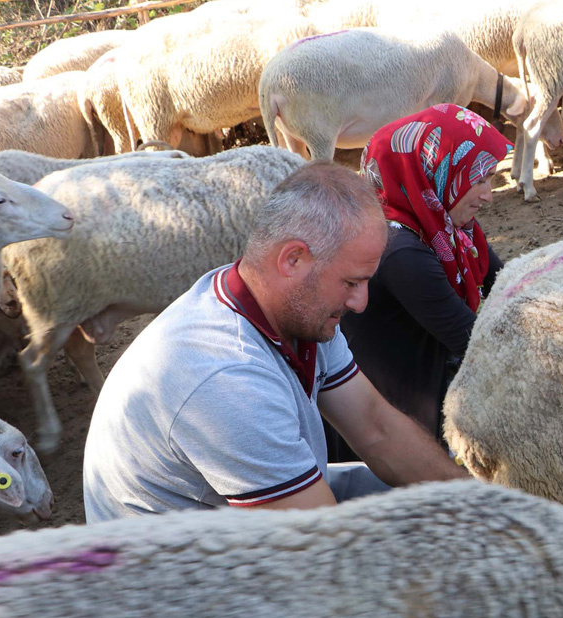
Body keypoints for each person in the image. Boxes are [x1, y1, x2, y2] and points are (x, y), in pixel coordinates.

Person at [82, 162, 467, 522]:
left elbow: (375, 427)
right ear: (293, 260)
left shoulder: (296, 312)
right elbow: (321, 545)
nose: (360, 302)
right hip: (172, 581)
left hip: (231, 528)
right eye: (351, 283)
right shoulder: (225, 379)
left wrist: (485, 508)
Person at [335, 103, 512, 445]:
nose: (489, 195)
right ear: (436, 172)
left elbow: (507, 283)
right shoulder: (401, 251)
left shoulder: (451, 231)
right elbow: (476, 341)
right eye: (478, 179)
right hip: (391, 430)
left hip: (422, 397)